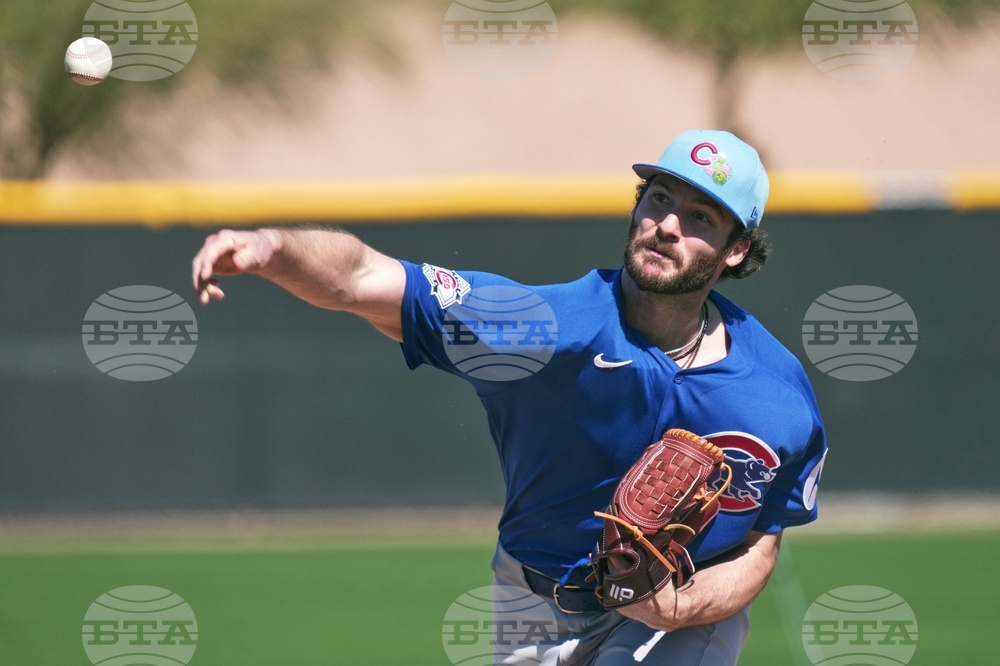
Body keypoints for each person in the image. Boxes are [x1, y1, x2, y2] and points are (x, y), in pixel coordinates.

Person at [191, 129, 828, 665]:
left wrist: (681, 605)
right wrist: (271, 248)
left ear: (735, 249)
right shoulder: (544, 326)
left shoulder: (773, 396)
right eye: (659, 199)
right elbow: (365, 277)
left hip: (677, 619)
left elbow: (760, 545)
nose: (666, 226)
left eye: (700, 218)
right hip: (532, 598)